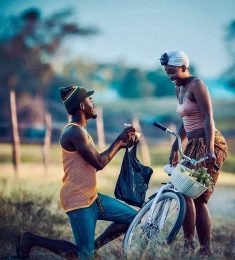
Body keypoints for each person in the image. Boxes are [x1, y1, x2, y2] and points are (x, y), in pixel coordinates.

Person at [18, 85, 138, 260]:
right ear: (82, 106)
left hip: (93, 197)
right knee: (83, 256)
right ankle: (30, 240)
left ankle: (91, 248)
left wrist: (122, 145)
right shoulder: (73, 131)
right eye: (90, 100)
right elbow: (99, 163)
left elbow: (97, 158)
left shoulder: (80, 131)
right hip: (78, 200)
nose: (93, 103)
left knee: (133, 218)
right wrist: (119, 140)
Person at [159, 51, 228, 256]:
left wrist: (209, 150)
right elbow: (185, 120)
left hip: (210, 144)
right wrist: (176, 144)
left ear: (183, 67)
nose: (170, 76)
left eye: (172, 72)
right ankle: (189, 245)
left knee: (198, 196)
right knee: (183, 192)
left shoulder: (197, 84)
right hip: (192, 144)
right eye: (167, 73)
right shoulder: (179, 87)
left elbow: (208, 118)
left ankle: (205, 249)